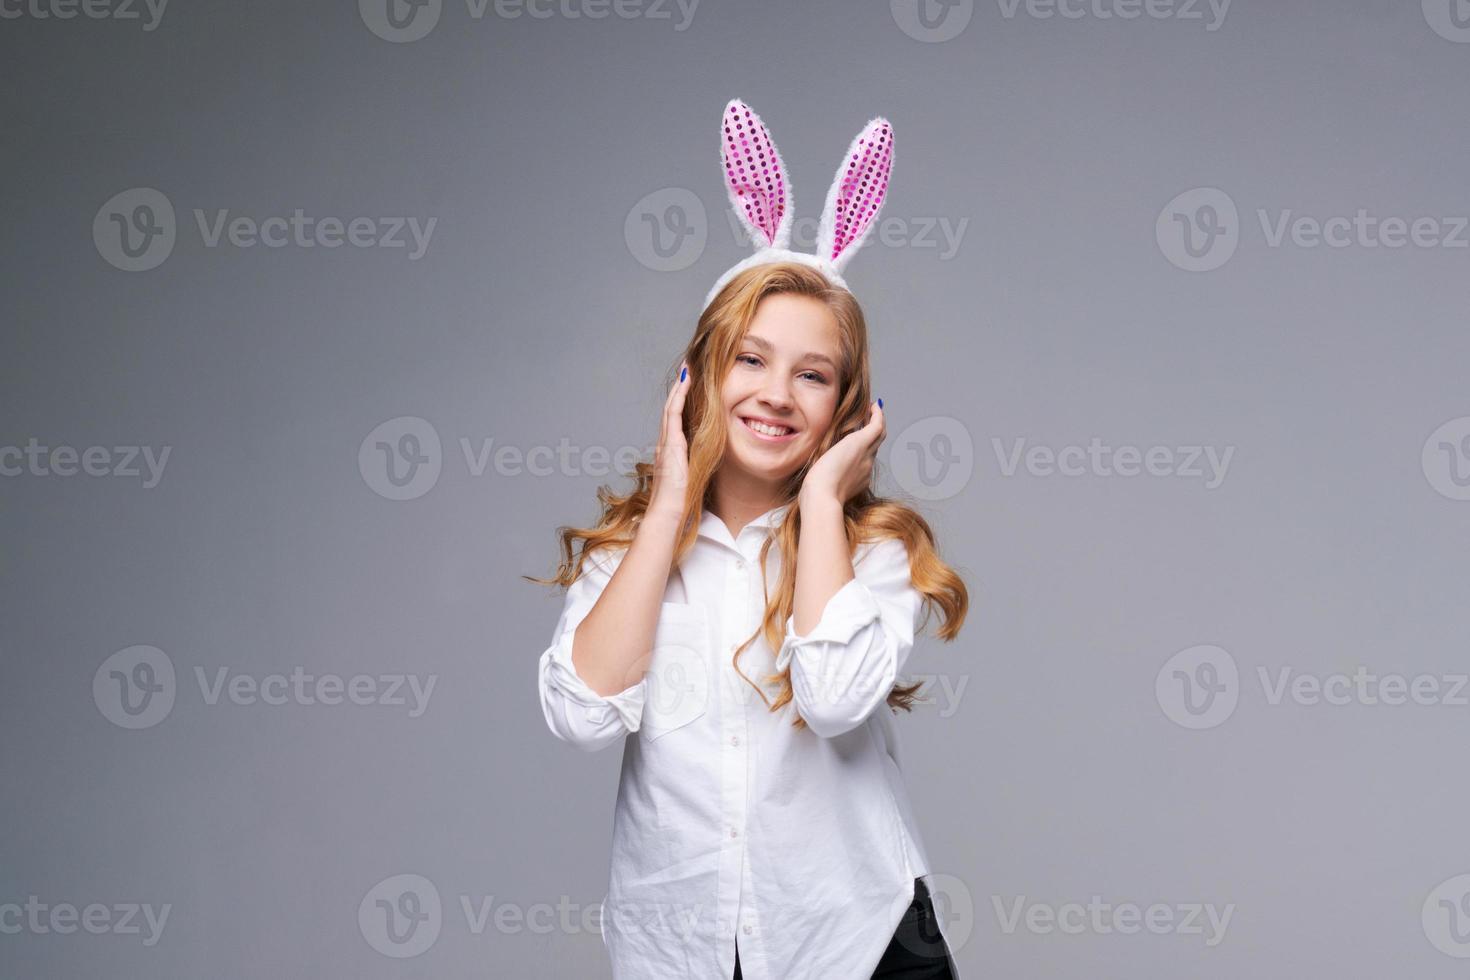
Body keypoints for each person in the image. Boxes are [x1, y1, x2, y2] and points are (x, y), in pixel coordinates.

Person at [531, 99, 970, 980]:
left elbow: (837, 697)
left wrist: (817, 507)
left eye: (813, 375)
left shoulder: (875, 550)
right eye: (752, 359)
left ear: (845, 409)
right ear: (702, 371)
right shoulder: (632, 554)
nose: (778, 393)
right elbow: (579, 717)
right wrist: (667, 512)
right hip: (682, 950)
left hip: (856, 941)